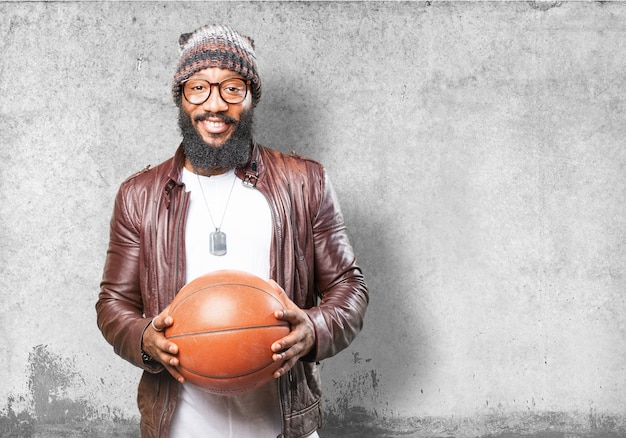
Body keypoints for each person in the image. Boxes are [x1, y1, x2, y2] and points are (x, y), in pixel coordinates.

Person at [96, 24, 368, 438]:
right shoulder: (139, 196)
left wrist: (314, 329)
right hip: (179, 427)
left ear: (250, 98)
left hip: (284, 426)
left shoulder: (305, 183)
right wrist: (143, 338)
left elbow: (349, 287)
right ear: (181, 98)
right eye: (198, 88)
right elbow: (113, 303)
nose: (215, 106)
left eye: (232, 89)